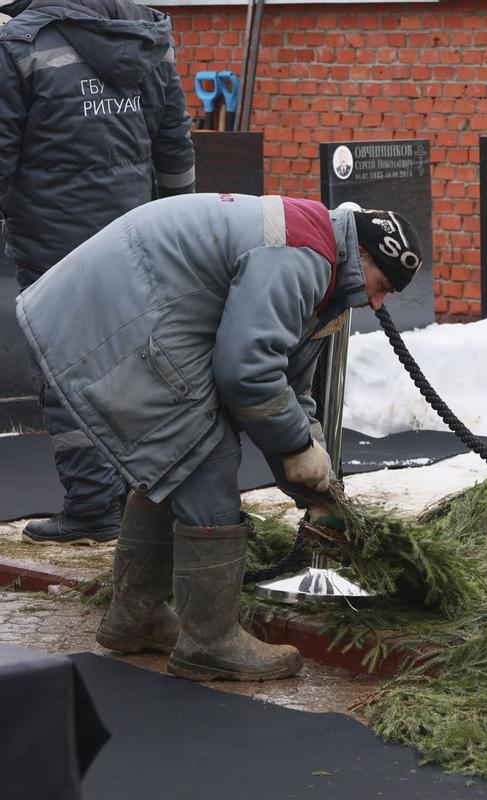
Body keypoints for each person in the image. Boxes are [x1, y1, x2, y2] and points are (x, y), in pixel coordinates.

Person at [17, 193, 424, 681]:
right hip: (122, 311)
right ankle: (210, 642)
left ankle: (135, 616)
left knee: (177, 456)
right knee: (205, 453)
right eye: (382, 287)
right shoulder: (302, 258)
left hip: (128, 301)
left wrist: (315, 486)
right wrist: (296, 450)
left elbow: (288, 389)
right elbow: (246, 374)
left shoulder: (320, 262)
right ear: (364, 257)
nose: (377, 303)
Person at [0, 0, 196, 545]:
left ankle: (92, 508)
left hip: (53, 232)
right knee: (138, 358)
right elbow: (173, 141)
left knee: (66, 360)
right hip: (136, 231)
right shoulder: (144, 31)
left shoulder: (20, 42)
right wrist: (182, 225)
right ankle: (148, 497)